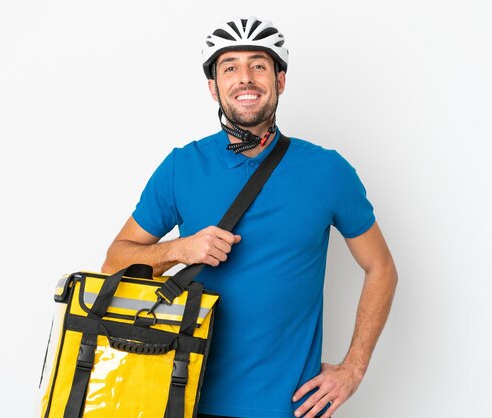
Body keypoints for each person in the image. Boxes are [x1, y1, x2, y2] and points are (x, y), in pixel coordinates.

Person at [102, 16, 398, 418]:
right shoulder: (181, 166)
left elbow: (381, 267)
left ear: (280, 81)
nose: (245, 78)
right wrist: (181, 249)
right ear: (213, 88)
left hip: (289, 406)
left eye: (258, 65)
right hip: (181, 397)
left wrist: (353, 368)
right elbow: (114, 261)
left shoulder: (328, 171)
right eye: (230, 68)